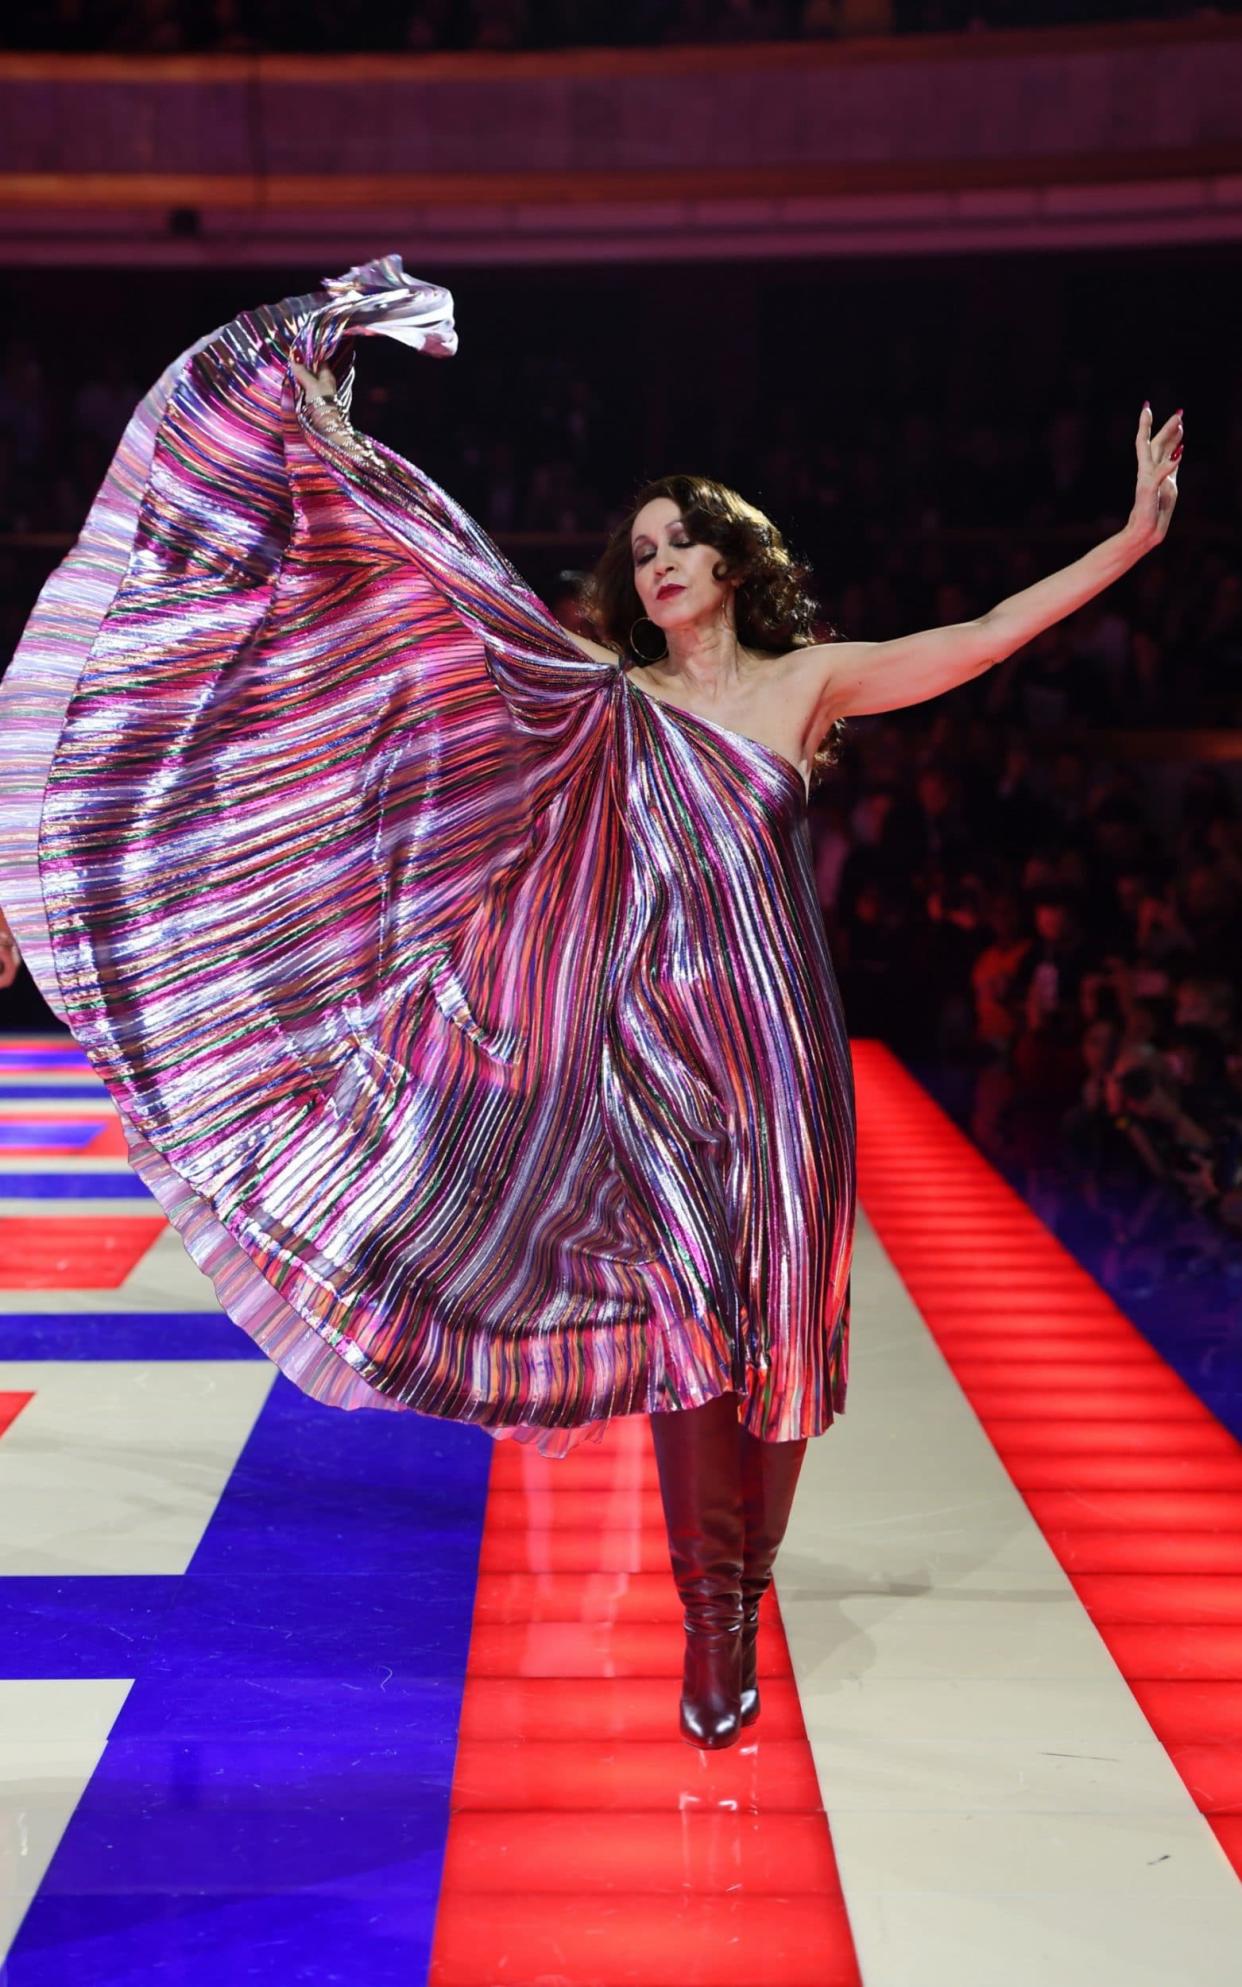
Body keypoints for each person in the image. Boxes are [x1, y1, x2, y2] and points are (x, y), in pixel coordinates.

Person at [0, 258, 1181, 1750]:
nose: (659, 558)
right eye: (640, 545)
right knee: (695, 1314)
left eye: (682, 538)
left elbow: (991, 636)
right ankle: (713, 1626)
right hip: (649, 1054)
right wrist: (316, 439)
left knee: (783, 1341)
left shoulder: (810, 681)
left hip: (778, 1058)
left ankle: (736, 1587)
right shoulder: (600, 694)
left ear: (737, 560)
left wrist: (1129, 540)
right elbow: (432, 594)